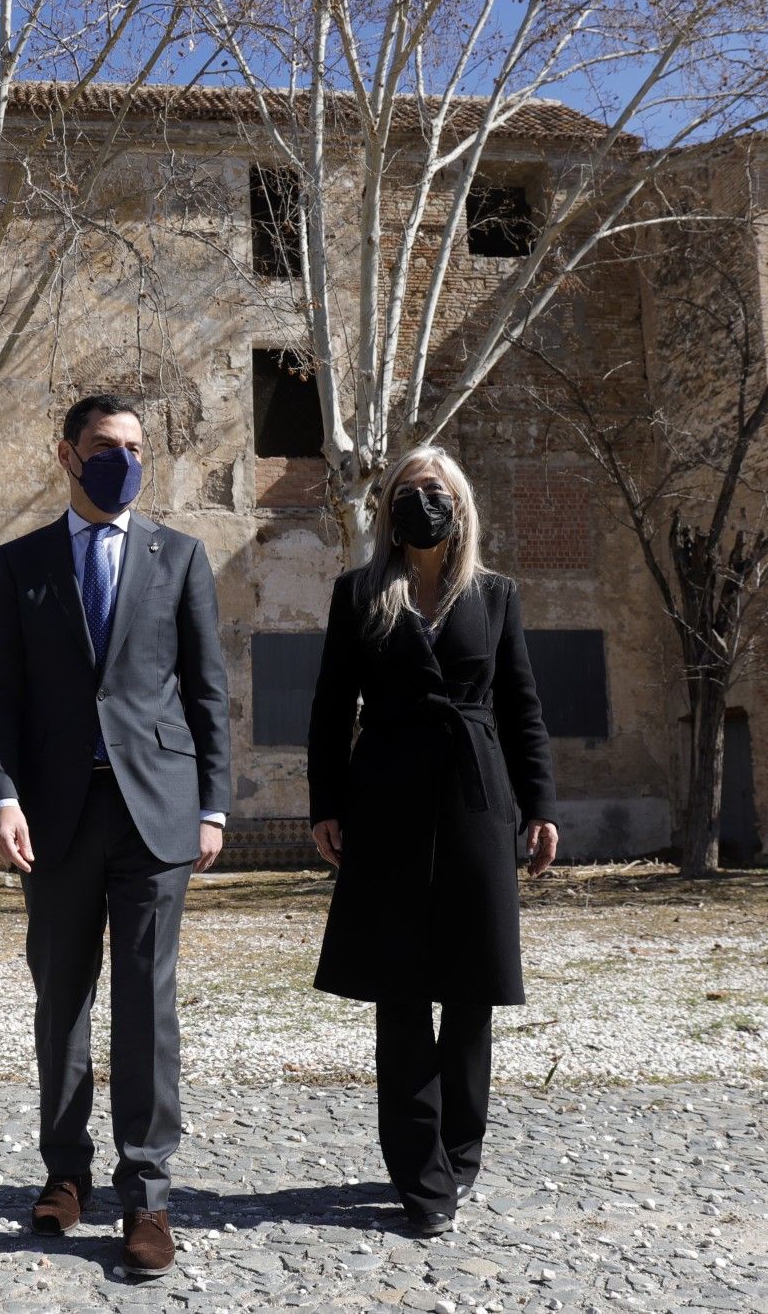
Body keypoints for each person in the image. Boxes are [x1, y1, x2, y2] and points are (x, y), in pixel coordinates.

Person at [0, 393, 232, 1279]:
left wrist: (213, 806)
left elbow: (207, 690)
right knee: (61, 998)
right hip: (53, 816)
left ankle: (147, 1195)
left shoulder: (179, 555)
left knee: (147, 1003)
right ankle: (65, 1173)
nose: (122, 458)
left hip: (156, 811)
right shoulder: (20, 562)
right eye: (104, 444)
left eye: (134, 446)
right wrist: (1, 796)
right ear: (67, 455)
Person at [305, 444, 560, 1238]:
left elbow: (522, 706)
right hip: (385, 800)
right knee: (402, 991)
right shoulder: (359, 594)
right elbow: (329, 708)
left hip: (477, 801)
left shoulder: (496, 594)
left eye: (437, 488)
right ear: (390, 507)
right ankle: (419, 1175)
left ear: (461, 504)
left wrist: (541, 805)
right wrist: (325, 805)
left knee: (473, 987)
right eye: (411, 488)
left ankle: (459, 1149)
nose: (424, 500)